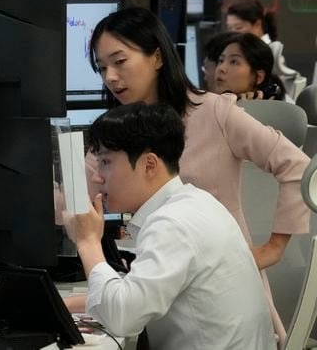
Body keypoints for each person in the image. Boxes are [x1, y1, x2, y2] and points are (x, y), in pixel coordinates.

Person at [87, 6, 310, 343]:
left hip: (216, 296)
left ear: (157, 58)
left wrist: (274, 248)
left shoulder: (214, 112)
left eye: (120, 62)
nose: (111, 78)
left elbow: (296, 166)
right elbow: (81, 188)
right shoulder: (122, 131)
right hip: (158, 282)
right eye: (102, 67)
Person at [69, 102, 276, 349]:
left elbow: (122, 318)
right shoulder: (194, 202)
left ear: (149, 165)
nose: (96, 177)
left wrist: (88, 242)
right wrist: (66, 305)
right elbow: (137, 294)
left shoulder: (173, 223)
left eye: (106, 162)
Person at [226, 0, 301, 97]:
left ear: (257, 24)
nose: (232, 34)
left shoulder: (268, 53)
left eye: (238, 28)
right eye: (229, 28)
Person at [213, 33, 287, 101]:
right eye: (221, 60)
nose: (221, 68)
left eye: (234, 62)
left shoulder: (269, 113)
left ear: (259, 77)